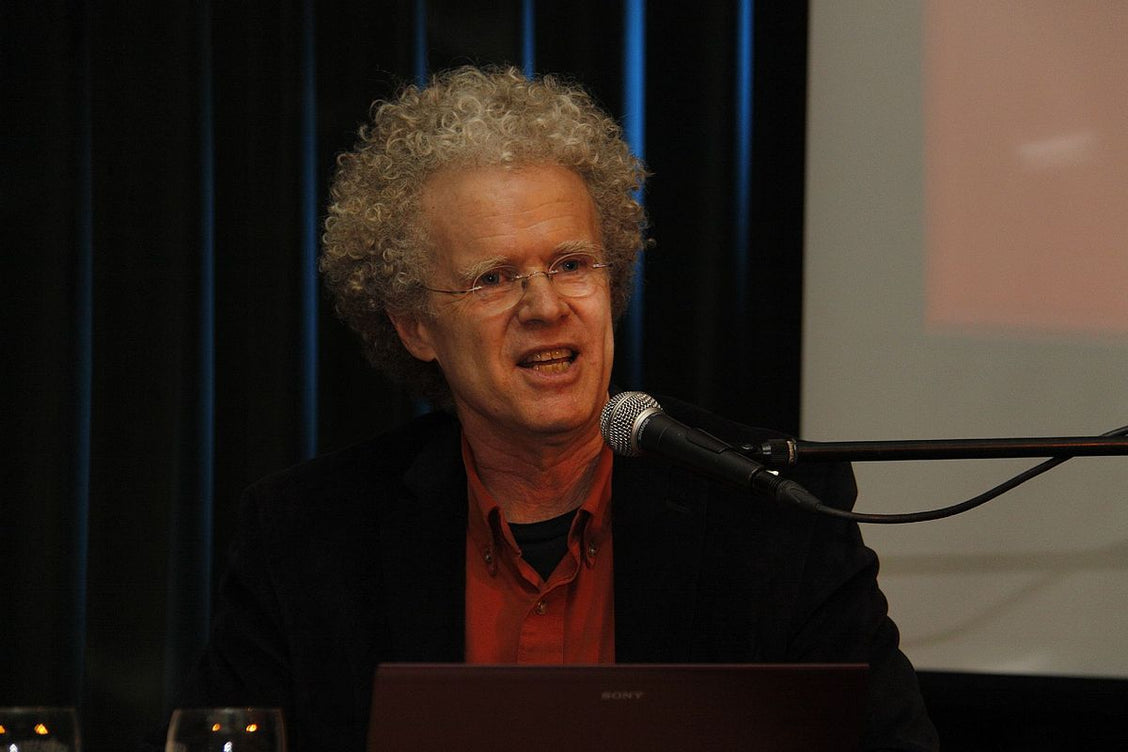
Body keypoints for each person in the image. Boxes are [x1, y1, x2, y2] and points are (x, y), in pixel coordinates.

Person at [168, 66, 938, 750]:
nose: (544, 307)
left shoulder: (770, 512)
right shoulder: (307, 537)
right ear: (414, 326)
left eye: (571, 264)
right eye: (493, 278)